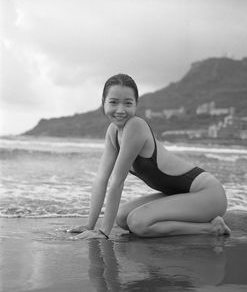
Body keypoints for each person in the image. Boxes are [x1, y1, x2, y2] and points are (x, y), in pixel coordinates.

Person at [68, 74, 231, 239]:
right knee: (122, 217)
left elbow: (117, 181)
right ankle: (205, 223)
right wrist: (89, 225)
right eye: (113, 102)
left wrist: (103, 232)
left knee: (138, 223)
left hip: (208, 194)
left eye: (128, 103)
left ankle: (211, 228)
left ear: (136, 105)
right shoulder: (113, 132)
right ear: (103, 102)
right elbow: (101, 179)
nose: (120, 110)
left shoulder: (135, 126)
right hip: (181, 194)